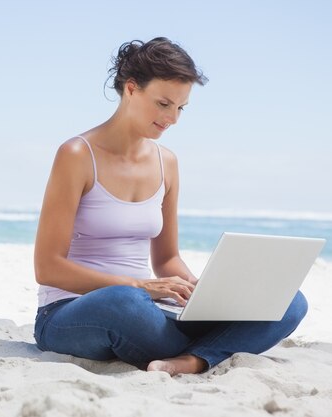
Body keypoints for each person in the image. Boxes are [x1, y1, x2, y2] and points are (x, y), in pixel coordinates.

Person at [32, 37, 308, 376]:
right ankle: (216, 348)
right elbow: (48, 268)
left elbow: (165, 260)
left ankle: (190, 360)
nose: (173, 118)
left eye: (181, 107)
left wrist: (202, 294)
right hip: (73, 311)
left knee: (288, 301)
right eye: (163, 103)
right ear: (131, 89)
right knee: (124, 303)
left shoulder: (168, 163)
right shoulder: (76, 155)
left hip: (148, 309)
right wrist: (139, 286)